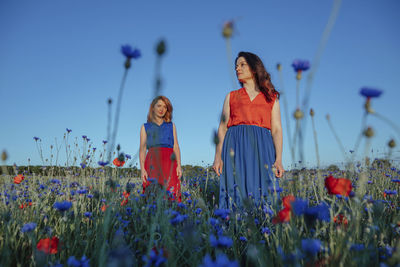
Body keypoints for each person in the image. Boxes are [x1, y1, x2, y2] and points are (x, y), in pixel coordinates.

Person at [213, 51, 284, 210]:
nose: (237, 68)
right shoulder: (231, 96)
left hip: (262, 146)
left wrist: (278, 159)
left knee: (264, 188)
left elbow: (277, 129)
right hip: (235, 145)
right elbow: (223, 127)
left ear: (254, 68)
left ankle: (263, 228)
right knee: (235, 188)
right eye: (236, 66)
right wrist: (218, 156)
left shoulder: (271, 97)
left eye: (242, 64)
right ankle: (233, 230)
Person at [139, 96, 182, 201]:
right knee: (152, 194)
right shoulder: (145, 127)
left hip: (170, 163)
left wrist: (179, 166)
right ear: (153, 108)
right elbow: (142, 149)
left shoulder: (171, 126)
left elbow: (176, 146)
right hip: (152, 163)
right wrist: (142, 169)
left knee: (172, 194)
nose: (162, 109)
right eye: (159, 106)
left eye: (165, 107)